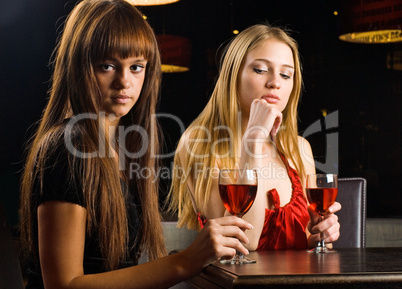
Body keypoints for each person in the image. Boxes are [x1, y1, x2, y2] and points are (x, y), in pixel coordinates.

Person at [19, 1, 253, 288]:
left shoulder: (124, 145)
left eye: (136, 67)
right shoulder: (68, 146)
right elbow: (65, 285)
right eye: (107, 66)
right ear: (78, 67)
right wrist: (186, 261)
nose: (124, 82)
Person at [168, 23, 341, 251]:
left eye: (286, 74)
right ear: (233, 76)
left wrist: (319, 236)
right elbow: (244, 242)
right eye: (260, 70)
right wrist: (254, 141)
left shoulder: (299, 148)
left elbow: (308, 240)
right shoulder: (198, 145)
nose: (275, 83)